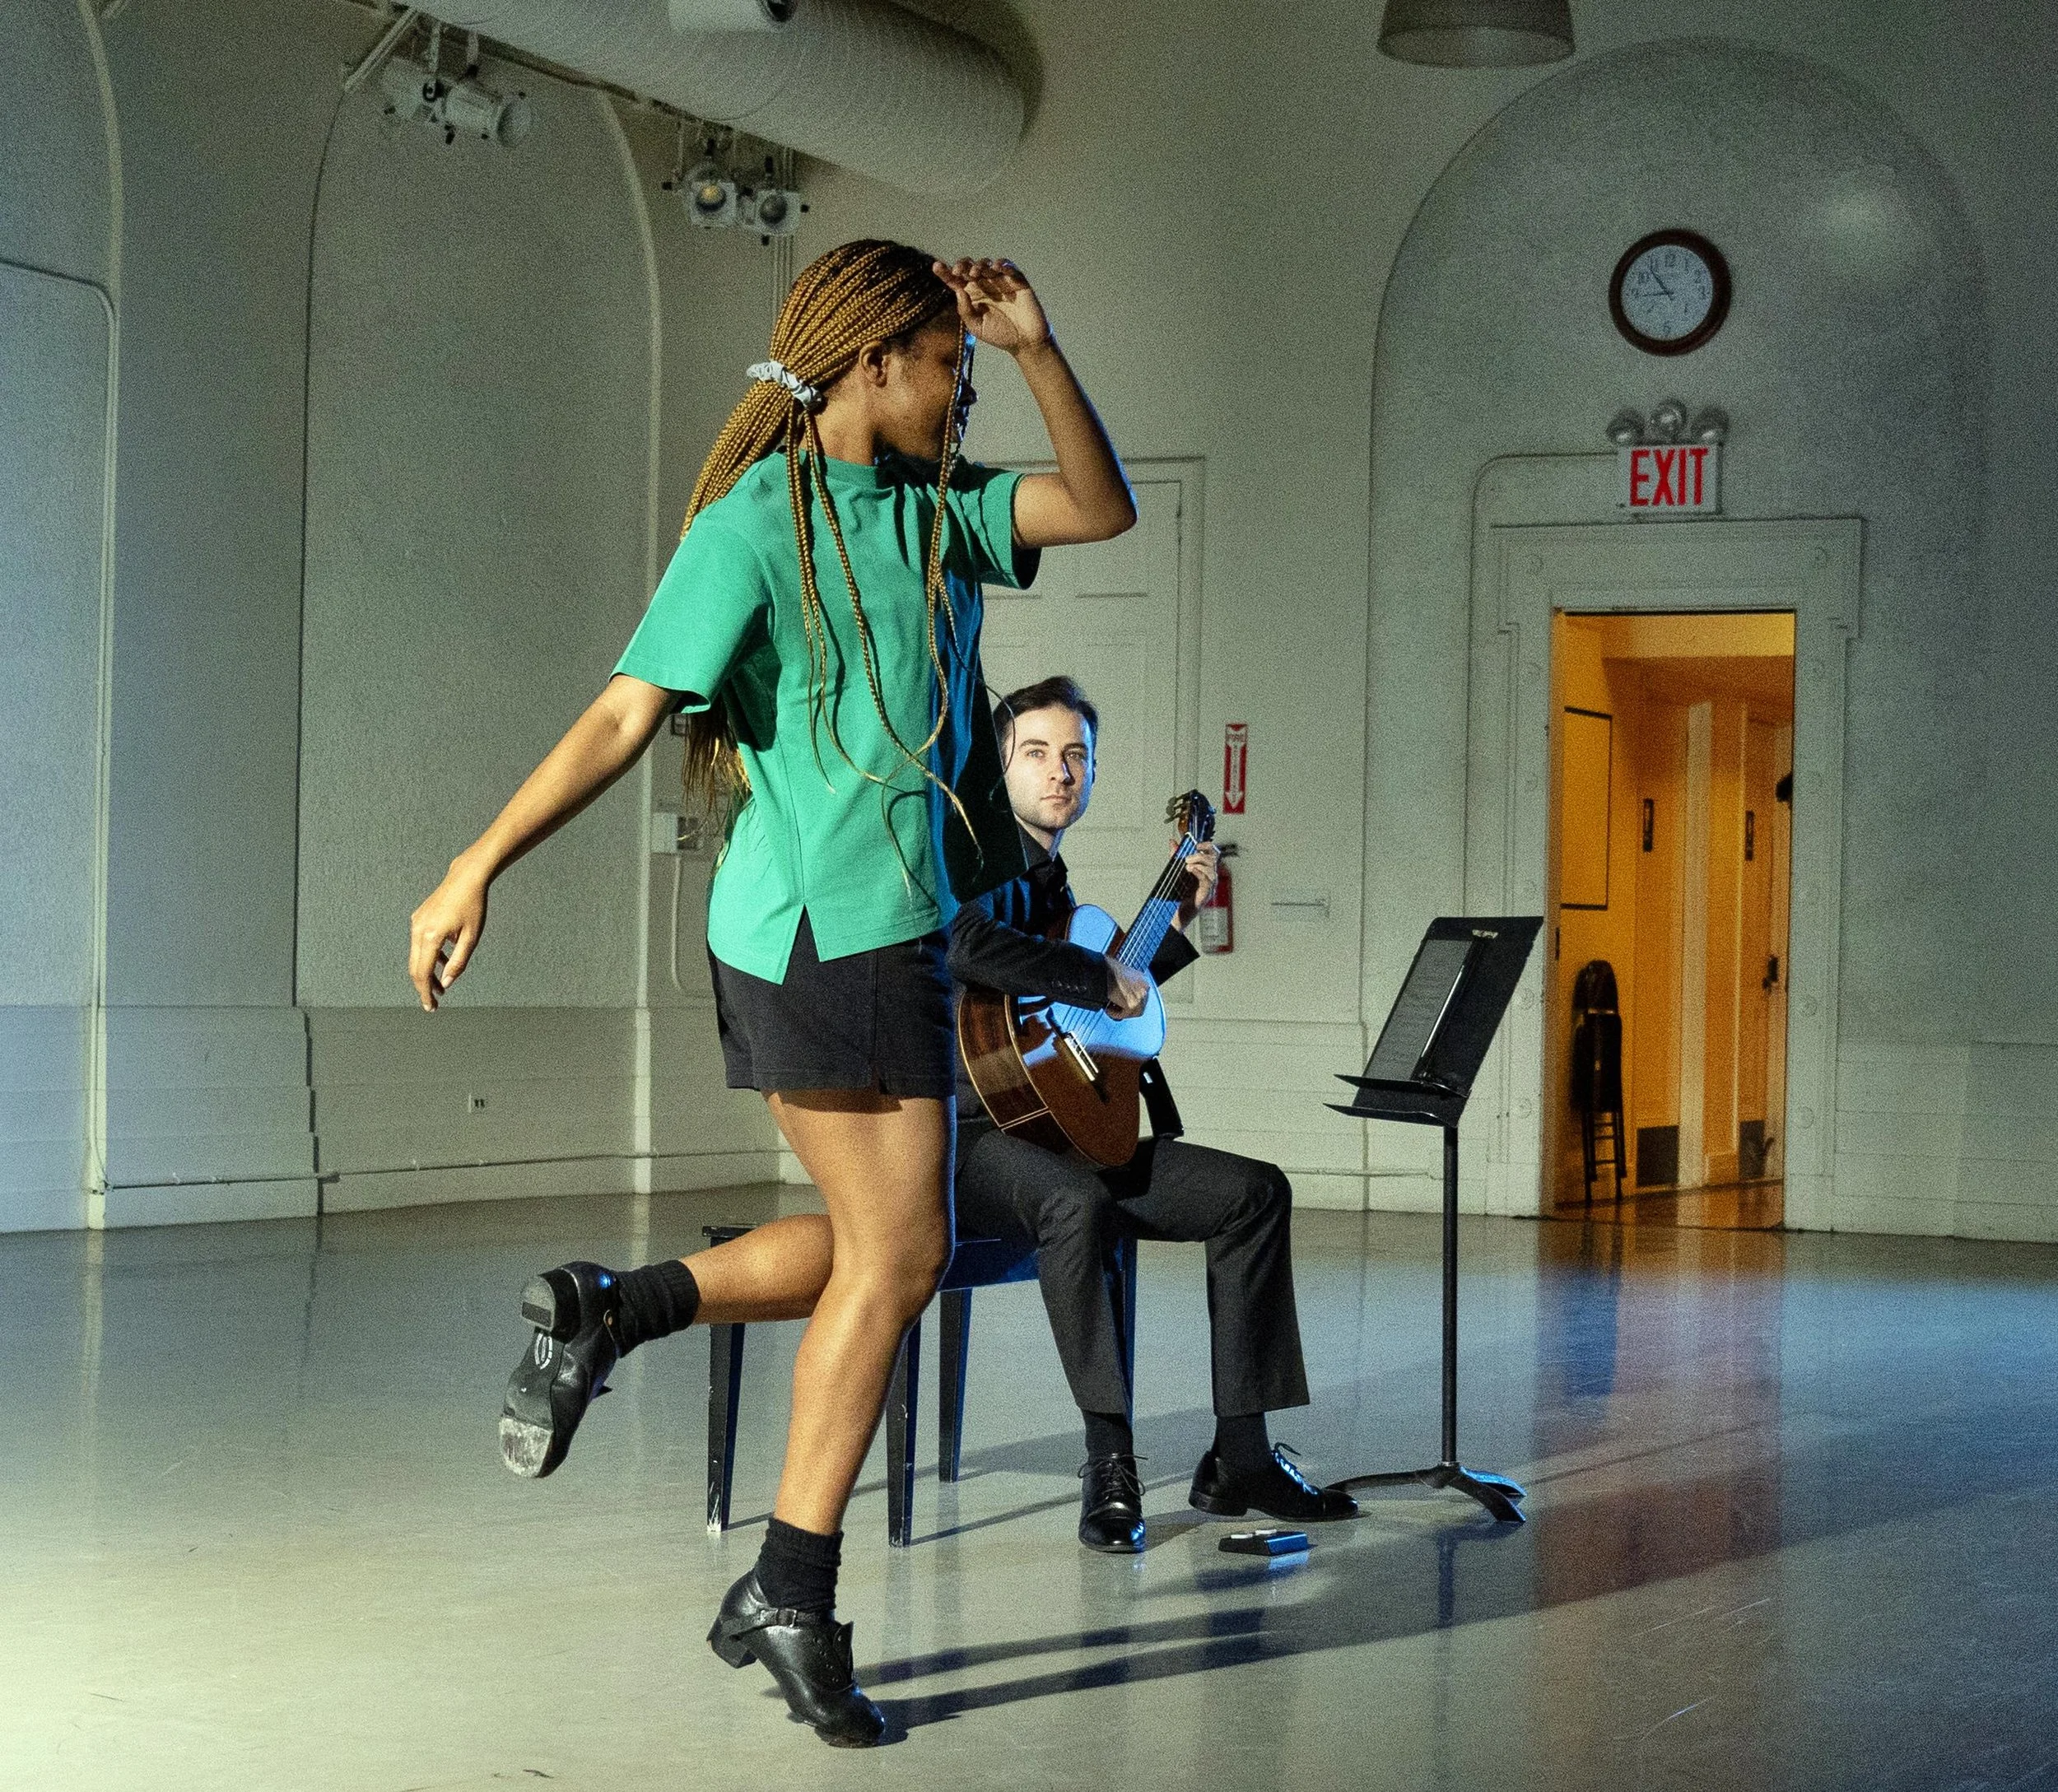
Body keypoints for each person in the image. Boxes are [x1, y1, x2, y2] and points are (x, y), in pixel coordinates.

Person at [406, 242, 1134, 1748]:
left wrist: (1044, 349)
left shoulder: (937, 512)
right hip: (821, 933)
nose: (963, 387)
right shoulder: (753, 527)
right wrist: (476, 863)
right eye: (951, 363)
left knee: (888, 1244)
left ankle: (620, 1309)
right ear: (875, 362)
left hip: (903, 931)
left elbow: (1098, 504)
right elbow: (624, 712)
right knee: (905, 1248)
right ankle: (790, 1590)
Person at [947, 676, 1358, 1553]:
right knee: (1075, 1205)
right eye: (1037, 753)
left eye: (1077, 757)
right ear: (997, 766)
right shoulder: (969, 859)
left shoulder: (1055, 882)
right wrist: (1099, 974)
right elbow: (967, 948)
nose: (1061, 772)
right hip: (975, 1139)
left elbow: (1084, 1024)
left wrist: (1170, 929)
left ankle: (1240, 1455)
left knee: (1253, 1192)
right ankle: (1110, 1458)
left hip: (1063, 1127)